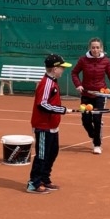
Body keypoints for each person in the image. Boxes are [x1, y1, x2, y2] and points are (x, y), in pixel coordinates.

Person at [27, 54, 72, 194]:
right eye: (62, 68)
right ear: (54, 69)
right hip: (43, 126)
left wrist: (60, 111)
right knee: (42, 155)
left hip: (52, 126)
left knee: (52, 153)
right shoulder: (46, 83)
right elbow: (42, 104)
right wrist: (62, 110)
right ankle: (33, 183)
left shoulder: (53, 82)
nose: (63, 70)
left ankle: (44, 179)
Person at [70, 37, 110, 155]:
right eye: (93, 47)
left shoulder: (106, 61)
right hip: (86, 94)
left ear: (101, 48)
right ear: (90, 48)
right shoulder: (83, 60)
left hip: (100, 95)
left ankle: (97, 144)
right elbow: (74, 73)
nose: (95, 50)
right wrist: (78, 85)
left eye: (97, 47)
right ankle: (94, 135)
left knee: (97, 119)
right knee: (85, 120)